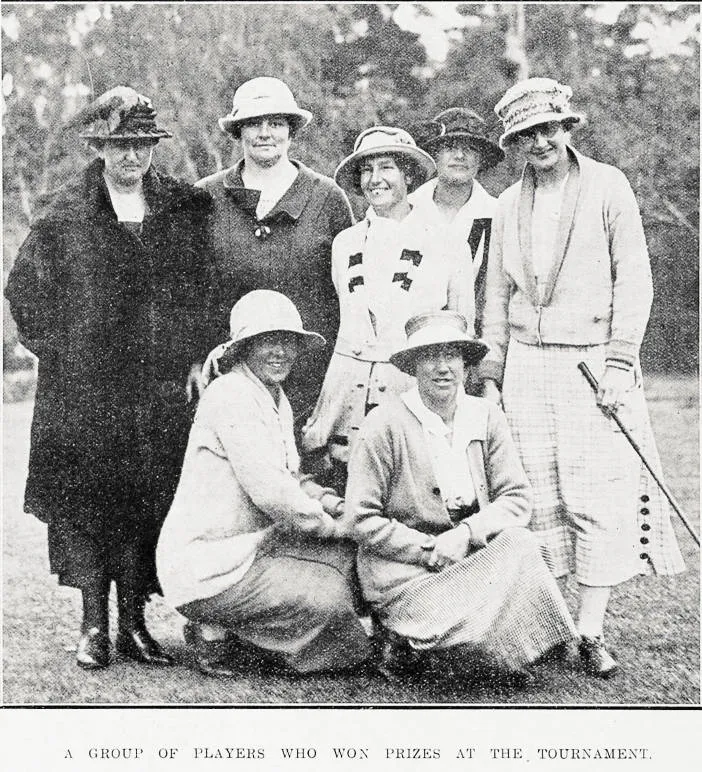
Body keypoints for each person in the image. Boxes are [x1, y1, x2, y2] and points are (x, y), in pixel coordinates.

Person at [5, 86, 217, 670]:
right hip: (84, 392)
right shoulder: (64, 212)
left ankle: (135, 625)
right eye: (121, 145)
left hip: (157, 389)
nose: (132, 157)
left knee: (146, 500)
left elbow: (203, 289)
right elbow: (24, 291)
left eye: (143, 144)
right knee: (87, 504)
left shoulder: (182, 207)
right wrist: (62, 352)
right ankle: (93, 626)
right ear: (99, 146)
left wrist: (196, 356)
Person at [480, 77, 685, 678]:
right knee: (535, 499)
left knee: (594, 497)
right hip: (525, 365)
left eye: (549, 128)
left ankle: (591, 632)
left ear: (568, 128)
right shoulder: (506, 204)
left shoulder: (607, 185)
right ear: (515, 142)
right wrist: (492, 369)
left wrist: (621, 361)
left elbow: (635, 279)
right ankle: (550, 627)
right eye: (526, 133)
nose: (540, 141)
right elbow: (495, 294)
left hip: (593, 360)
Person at [344, 310, 577, 683]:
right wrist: (428, 549)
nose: (442, 367)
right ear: (413, 365)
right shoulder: (383, 424)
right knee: (474, 635)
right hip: (406, 574)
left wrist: (466, 533)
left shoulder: (486, 416)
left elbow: (516, 497)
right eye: (430, 356)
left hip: (469, 557)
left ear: (466, 364)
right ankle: (423, 643)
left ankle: (453, 649)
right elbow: (360, 518)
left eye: (452, 355)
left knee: (522, 543)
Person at [156, 290, 372, 677]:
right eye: (267, 341)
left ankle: (238, 630)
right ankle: (217, 634)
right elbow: (273, 493)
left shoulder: (273, 395)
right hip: (208, 566)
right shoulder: (230, 395)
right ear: (243, 348)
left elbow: (290, 477)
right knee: (330, 601)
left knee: (348, 567)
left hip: (249, 550)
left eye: (288, 341)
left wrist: (333, 503)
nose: (280, 352)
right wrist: (337, 526)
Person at [302, 127, 474, 490]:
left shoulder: (446, 241)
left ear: (408, 175)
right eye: (366, 170)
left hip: (412, 389)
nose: (375, 179)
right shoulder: (344, 243)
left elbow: (463, 330)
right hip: (347, 393)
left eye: (387, 168)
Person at [196, 77, 354, 428]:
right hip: (229, 377)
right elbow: (184, 291)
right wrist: (192, 359)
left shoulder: (327, 198)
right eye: (254, 123)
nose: (265, 133)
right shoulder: (204, 197)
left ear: (291, 130)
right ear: (238, 131)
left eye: (276, 123)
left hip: (311, 377)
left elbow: (352, 297)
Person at [410, 107, 504, 337]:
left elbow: (500, 295)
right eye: (450, 147)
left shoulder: (498, 215)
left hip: (473, 341)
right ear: (434, 154)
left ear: (481, 158)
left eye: (470, 149)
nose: (460, 156)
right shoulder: (408, 209)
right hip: (409, 339)